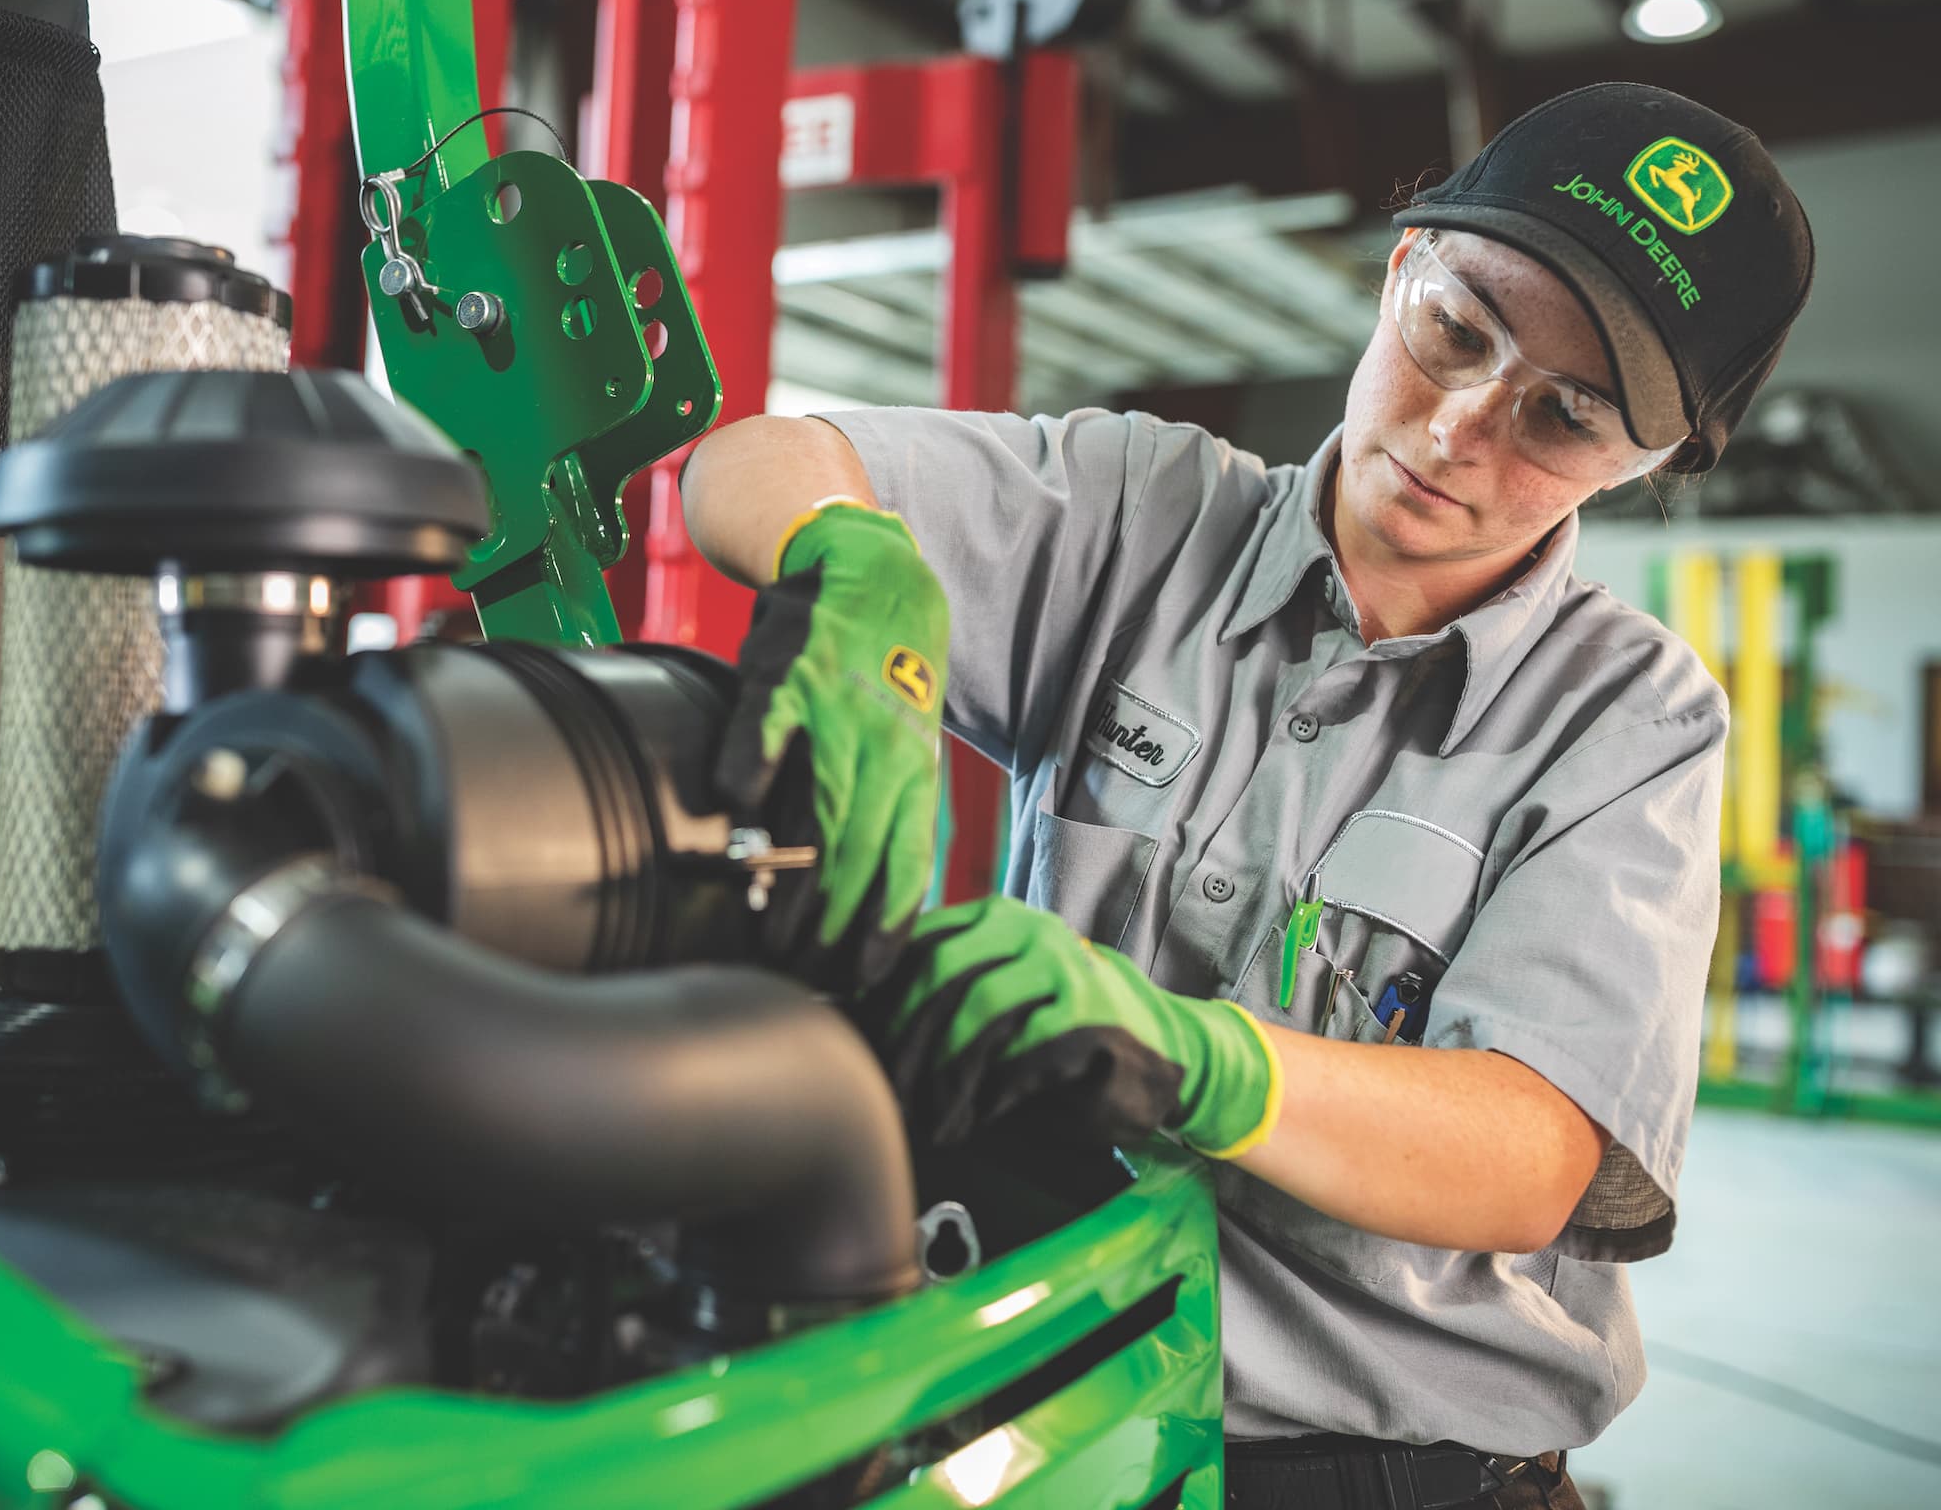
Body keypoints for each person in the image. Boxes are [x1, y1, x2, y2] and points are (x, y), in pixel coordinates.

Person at [683, 82, 1815, 1509]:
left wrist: (1198, 1059)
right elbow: (749, 459)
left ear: (1653, 464)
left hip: (1387, 1461)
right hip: (1043, 1396)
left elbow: (1533, 1150)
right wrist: (851, 558)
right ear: (1401, 268)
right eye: (1458, 331)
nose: (1463, 429)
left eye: (1567, 416)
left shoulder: (1629, 720)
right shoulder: (1136, 512)